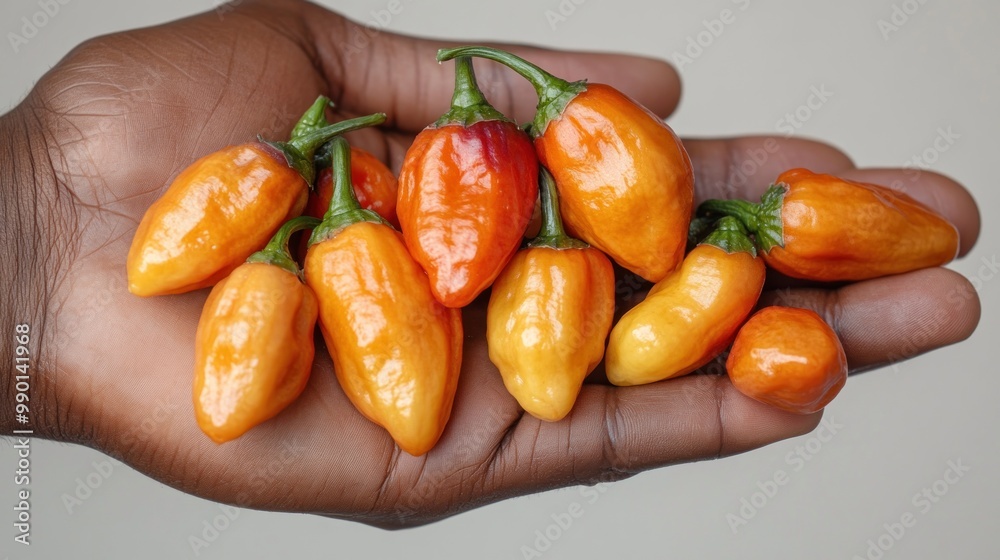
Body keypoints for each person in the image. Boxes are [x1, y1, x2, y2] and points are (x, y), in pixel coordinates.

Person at [0, 0, 980, 528]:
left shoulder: (386, 227)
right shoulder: (360, 232)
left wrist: (38, 248)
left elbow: (488, 267)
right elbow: (449, 274)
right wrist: (32, 240)